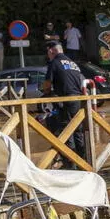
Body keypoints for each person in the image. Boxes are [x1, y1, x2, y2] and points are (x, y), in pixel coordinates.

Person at [41, 40, 87, 168]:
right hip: (78, 99)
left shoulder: (54, 62)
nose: (48, 55)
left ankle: (70, 162)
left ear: (51, 51)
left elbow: (47, 83)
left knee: (66, 129)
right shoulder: (73, 63)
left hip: (65, 99)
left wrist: (46, 92)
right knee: (77, 129)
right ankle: (83, 160)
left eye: (48, 52)